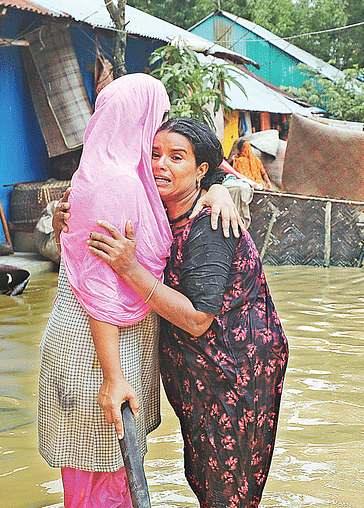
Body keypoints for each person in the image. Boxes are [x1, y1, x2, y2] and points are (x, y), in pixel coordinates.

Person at [39, 74, 241, 508]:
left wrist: (218, 190)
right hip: (96, 351)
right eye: (158, 118)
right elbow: (101, 288)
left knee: (100, 473)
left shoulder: (106, 175)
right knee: (105, 476)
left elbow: (80, 259)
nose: (159, 126)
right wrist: (112, 376)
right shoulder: (121, 184)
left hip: (93, 343)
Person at [87, 117, 289, 507]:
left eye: (176, 158)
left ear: (200, 170)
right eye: (155, 154)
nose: (160, 164)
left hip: (235, 370)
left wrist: (130, 269)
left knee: (228, 489)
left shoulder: (210, 226)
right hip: (199, 371)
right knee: (204, 475)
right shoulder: (161, 211)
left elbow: (197, 319)